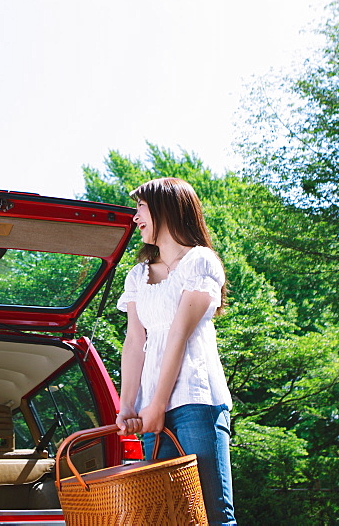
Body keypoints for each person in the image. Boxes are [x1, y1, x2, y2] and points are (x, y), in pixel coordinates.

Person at [115, 177, 236, 525]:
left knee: (213, 516)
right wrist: (129, 405)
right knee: (170, 517)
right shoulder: (138, 275)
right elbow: (135, 342)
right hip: (154, 408)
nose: (135, 217)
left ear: (166, 208)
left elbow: (178, 336)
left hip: (196, 401)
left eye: (141, 207)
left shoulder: (200, 262)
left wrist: (154, 406)